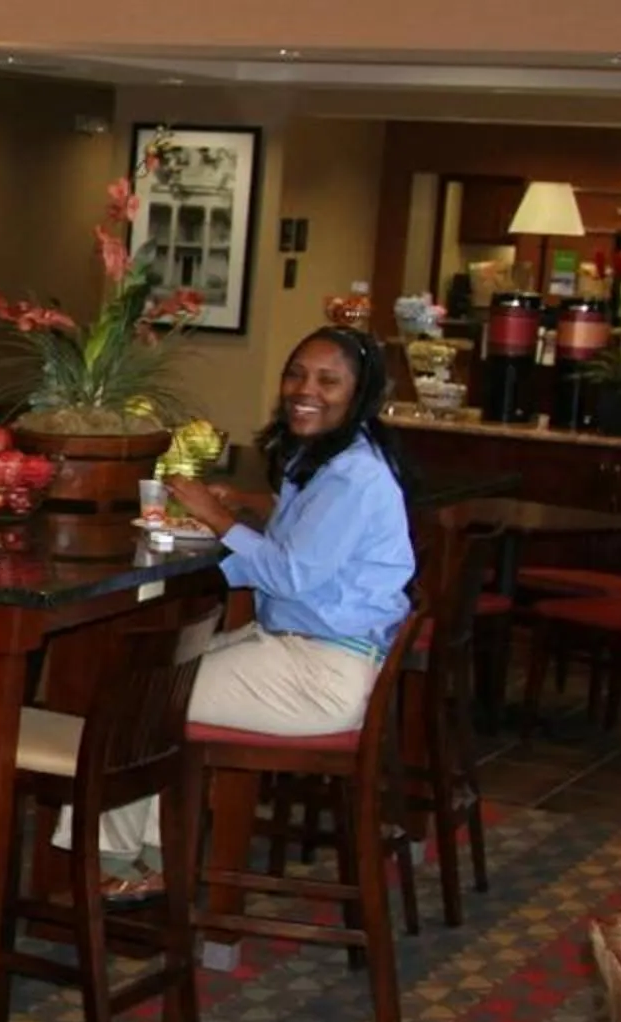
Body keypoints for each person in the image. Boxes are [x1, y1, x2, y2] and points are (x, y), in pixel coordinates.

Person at [94, 326, 416, 873]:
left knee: (142, 701)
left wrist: (216, 516)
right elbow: (311, 535)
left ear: (360, 394)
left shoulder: (353, 477)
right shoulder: (332, 458)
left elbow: (289, 575)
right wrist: (248, 506)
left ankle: (112, 864)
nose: (304, 389)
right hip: (314, 651)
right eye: (296, 374)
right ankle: (145, 859)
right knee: (152, 679)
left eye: (327, 380)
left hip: (321, 671)